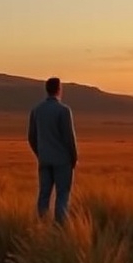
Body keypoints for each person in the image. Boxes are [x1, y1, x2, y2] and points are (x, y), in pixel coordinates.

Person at [27, 77, 78, 224]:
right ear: (59, 89)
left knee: (44, 195)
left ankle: (42, 225)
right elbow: (69, 138)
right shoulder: (64, 110)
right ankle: (60, 228)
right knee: (62, 195)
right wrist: (73, 157)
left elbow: (31, 137)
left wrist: (40, 154)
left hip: (44, 160)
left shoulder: (36, 110)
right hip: (63, 161)